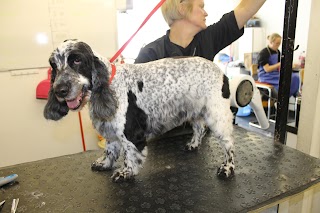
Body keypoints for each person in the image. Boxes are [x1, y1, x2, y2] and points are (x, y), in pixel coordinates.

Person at [134, 0, 266, 63]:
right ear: (182, 9)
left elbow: (245, 9)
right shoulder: (150, 54)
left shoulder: (208, 38)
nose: (206, 13)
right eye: (201, 7)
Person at [257, 33, 300, 98]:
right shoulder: (264, 53)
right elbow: (267, 69)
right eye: (277, 43)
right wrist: (279, 64)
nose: (278, 45)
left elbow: (279, 67)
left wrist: (291, 65)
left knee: (295, 77)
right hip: (266, 76)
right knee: (285, 80)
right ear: (271, 42)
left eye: (279, 43)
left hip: (275, 74)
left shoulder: (278, 52)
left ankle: (288, 95)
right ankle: (281, 97)